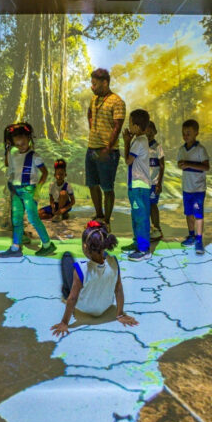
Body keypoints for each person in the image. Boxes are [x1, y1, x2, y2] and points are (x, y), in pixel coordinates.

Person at [51, 221, 138, 337]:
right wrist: (120, 314)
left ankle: (65, 291)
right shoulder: (114, 262)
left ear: (85, 247)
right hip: (106, 306)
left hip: (84, 308)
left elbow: (72, 299)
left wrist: (64, 322)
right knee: (103, 260)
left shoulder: (81, 269)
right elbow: (118, 289)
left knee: (67, 256)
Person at [0, 122, 57, 258]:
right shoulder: (13, 153)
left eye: (23, 143)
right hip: (16, 190)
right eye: (17, 144)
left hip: (29, 190)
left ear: (29, 139)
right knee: (16, 219)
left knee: (33, 218)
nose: (20, 147)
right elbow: (7, 164)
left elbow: (45, 173)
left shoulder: (35, 156)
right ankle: (15, 247)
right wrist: (7, 148)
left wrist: (38, 188)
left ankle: (48, 245)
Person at [86, 68, 126, 230]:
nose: (92, 87)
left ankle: (107, 221)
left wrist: (108, 148)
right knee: (92, 184)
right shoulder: (94, 99)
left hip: (107, 152)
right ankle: (99, 215)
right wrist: (92, 129)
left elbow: (118, 126)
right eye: (92, 83)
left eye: (95, 84)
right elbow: (89, 113)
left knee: (107, 187)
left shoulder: (117, 101)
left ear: (105, 82)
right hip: (91, 149)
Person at [122, 109, 153, 261]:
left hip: (139, 185)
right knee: (136, 216)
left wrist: (126, 142)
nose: (128, 126)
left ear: (136, 126)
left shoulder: (139, 141)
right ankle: (137, 243)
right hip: (136, 185)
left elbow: (128, 160)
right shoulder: (140, 140)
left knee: (140, 216)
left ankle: (143, 249)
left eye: (130, 123)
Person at [178, 119, 210, 255]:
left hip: (198, 189)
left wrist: (189, 164)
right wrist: (182, 164)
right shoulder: (181, 149)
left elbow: (206, 166)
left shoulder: (200, 149)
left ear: (196, 133)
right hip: (187, 189)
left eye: (188, 133)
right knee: (188, 213)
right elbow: (179, 164)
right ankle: (191, 235)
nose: (185, 136)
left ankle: (199, 239)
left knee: (198, 214)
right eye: (184, 133)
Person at [146, 121, 165, 240]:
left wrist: (159, 183)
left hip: (154, 183)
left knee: (153, 205)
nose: (148, 133)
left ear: (155, 132)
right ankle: (149, 230)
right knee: (146, 206)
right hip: (144, 184)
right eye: (146, 130)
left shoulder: (158, 147)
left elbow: (162, 165)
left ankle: (158, 229)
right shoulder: (142, 147)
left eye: (150, 130)